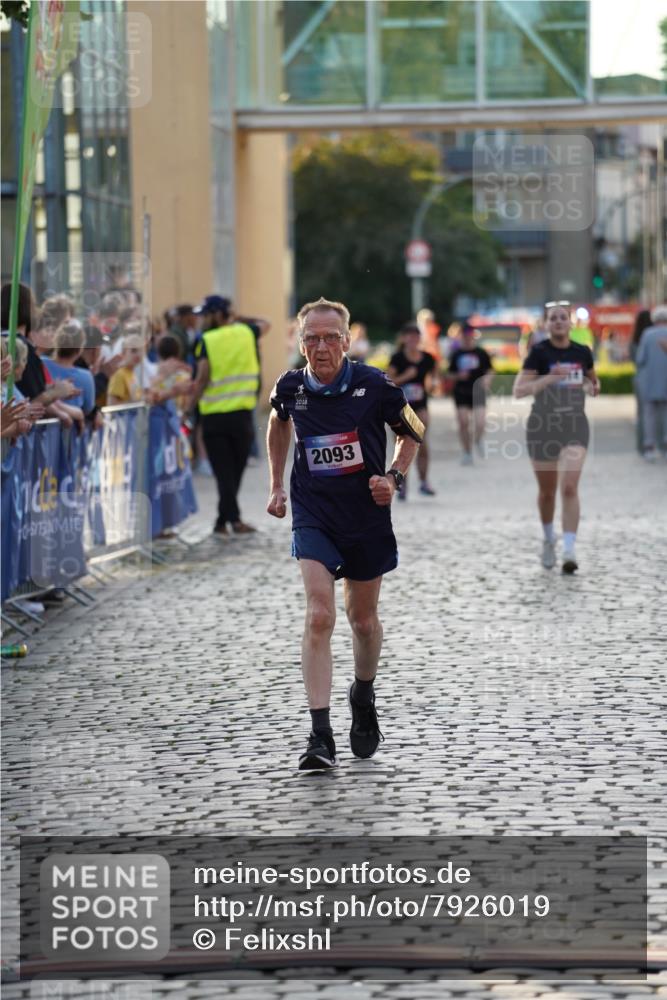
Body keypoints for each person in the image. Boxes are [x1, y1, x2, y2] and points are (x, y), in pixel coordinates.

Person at [266, 297, 424, 771]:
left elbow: (412, 431)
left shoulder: (375, 385)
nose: (320, 346)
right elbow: (277, 423)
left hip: (364, 517)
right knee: (319, 614)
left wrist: (393, 478)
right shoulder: (291, 387)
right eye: (311, 338)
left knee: (364, 621)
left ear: (347, 341)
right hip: (314, 514)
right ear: (301, 342)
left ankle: (364, 692)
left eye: (330, 337)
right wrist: (276, 485)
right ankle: (319, 736)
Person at [513, 300, 600, 574]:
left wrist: (592, 386)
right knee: (548, 492)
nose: (559, 322)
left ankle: (570, 549)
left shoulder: (582, 352)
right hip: (543, 426)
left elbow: (592, 382)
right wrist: (549, 378)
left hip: (575, 424)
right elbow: (519, 390)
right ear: (546, 324)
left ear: (571, 322)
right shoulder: (539, 353)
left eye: (563, 317)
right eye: (554, 318)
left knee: (570, 487)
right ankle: (549, 539)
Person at [191, 294, 260, 536]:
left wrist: (188, 407)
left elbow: (202, 378)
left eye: (207, 314)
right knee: (233, 473)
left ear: (217, 314)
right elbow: (267, 324)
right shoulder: (247, 332)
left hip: (214, 418)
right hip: (242, 416)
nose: (202, 319)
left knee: (225, 474)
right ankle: (231, 521)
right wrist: (238, 318)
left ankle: (225, 521)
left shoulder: (206, 340)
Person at [386, 322, 436, 496]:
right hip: (401, 407)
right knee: (401, 445)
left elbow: (432, 380)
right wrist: (406, 376)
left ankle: (423, 482)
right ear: (404, 338)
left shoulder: (428, 358)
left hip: (421, 405)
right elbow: (388, 383)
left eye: (416, 336)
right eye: (410, 336)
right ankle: (402, 484)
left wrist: (433, 385)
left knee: (421, 442)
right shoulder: (397, 358)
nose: (413, 339)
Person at [448, 323, 494, 464]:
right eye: (465, 336)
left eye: (470, 336)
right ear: (461, 336)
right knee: (463, 423)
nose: (468, 338)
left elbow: (490, 370)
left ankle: (478, 439)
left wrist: (487, 380)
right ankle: (467, 452)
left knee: (480, 422)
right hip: (461, 391)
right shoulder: (456, 354)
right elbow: (449, 374)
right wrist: (458, 376)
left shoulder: (481, 352)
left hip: (478, 391)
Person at [634, 304, 667, 461]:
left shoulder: (647, 334)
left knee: (649, 414)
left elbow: (640, 359)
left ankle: (650, 446)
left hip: (649, 381)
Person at [42, 322, 96, 418]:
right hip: (71, 428)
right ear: (80, 349)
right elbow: (88, 409)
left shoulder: (40, 362)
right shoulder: (86, 376)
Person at [630, 308, 653, 455]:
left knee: (641, 413)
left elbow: (635, 360)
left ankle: (641, 446)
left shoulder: (634, 340)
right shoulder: (652, 338)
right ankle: (655, 443)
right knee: (656, 412)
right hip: (655, 377)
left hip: (639, 378)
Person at [107, 334, 144, 404]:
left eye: (141, 350)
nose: (138, 354)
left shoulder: (132, 373)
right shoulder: (119, 374)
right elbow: (112, 405)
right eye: (134, 350)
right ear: (124, 352)